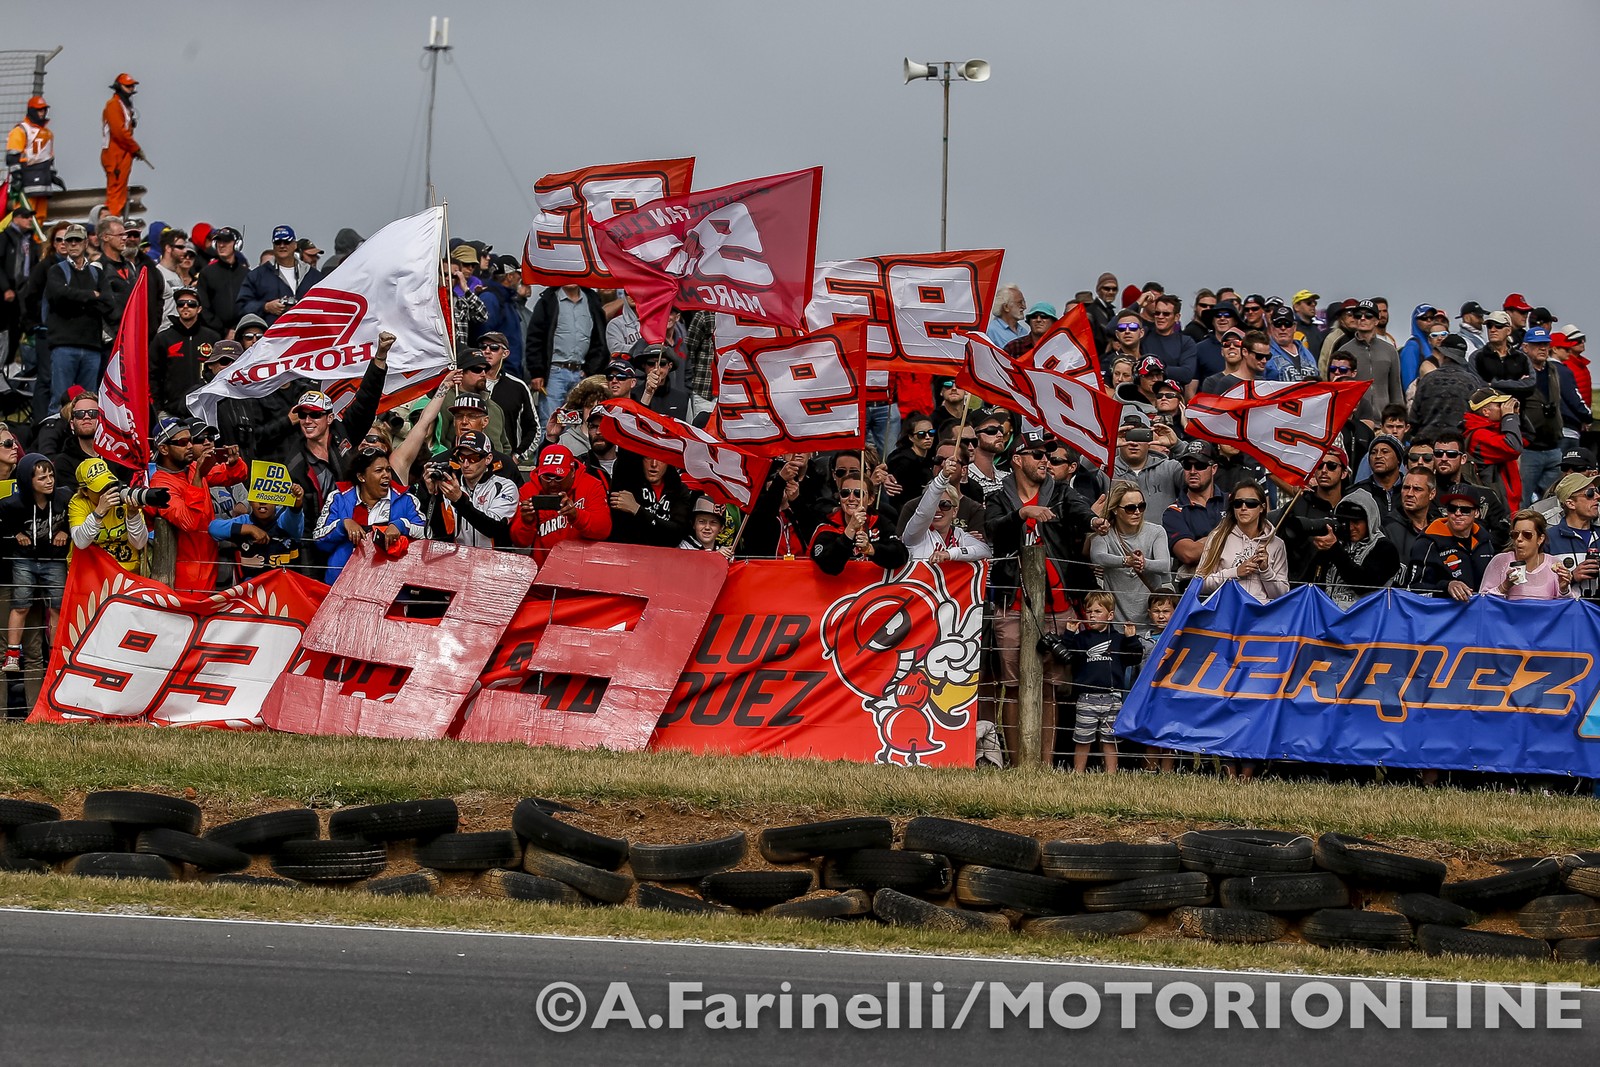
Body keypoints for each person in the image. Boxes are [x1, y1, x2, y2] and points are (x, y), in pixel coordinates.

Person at [985, 430, 1104, 762]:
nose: (1046, 462)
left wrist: (1096, 520)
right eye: (1038, 455)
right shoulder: (998, 497)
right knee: (1011, 687)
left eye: (1050, 457)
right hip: (1011, 601)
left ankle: (1045, 763)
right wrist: (1022, 515)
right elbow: (993, 529)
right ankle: (1017, 761)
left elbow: (1081, 512)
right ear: (1017, 460)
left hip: (1057, 605)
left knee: (1050, 687)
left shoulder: (1062, 493)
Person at [1056, 591, 1143, 775]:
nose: (1092, 615)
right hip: (1087, 698)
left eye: (1097, 611)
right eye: (1089, 611)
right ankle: (1078, 773)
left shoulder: (1119, 640)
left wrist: (1132, 638)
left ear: (1110, 615)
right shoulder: (1081, 638)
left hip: (1112, 698)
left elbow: (1135, 658)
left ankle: (1111, 774)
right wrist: (1069, 634)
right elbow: (1067, 656)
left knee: (1110, 740)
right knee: (1082, 739)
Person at [311, 448, 423, 585]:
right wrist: (342, 525)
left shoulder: (407, 501)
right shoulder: (338, 498)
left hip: (389, 587)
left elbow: (427, 534)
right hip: (340, 587)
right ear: (361, 477)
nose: (386, 475)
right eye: (379, 470)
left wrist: (401, 525)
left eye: (388, 470)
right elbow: (318, 539)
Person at [0, 454, 68, 673]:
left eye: (51, 475)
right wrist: (15, 532)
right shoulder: (13, 504)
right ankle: (12, 654)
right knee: (20, 604)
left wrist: (65, 531)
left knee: (57, 606)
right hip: (24, 559)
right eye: (41, 478)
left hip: (54, 560)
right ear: (27, 481)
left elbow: (76, 513)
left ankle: (56, 652)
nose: (49, 481)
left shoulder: (63, 498)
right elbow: (4, 517)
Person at [1089, 481, 1172, 629]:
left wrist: (1143, 563)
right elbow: (1097, 556)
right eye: (1130, 508)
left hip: (1152, 623)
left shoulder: (1156, 532)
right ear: (1115, 510)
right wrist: (1126, 561)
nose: (1137, 512)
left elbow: (1165, 565)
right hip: (1117, 624)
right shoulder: (1104, 532)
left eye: (1141, 506)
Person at [417, 430, 517, 549]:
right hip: (459, 560)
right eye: (461, 457)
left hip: (494, 561)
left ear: (488, 459)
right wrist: (435, 495)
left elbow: (494, 528)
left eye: (473, 458)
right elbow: (441, 534)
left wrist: (459, 501)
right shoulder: (451, 486)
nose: (465, 464)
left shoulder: (504, 486)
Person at [508, 445, 612, 560]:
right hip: (544, 567)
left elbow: (603, 530)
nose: (552, 483)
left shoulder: (591, 485)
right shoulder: (529, 490)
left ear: (572, 472)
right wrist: (527, 523)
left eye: (558, 477)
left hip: (583, 565)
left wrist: (576, 516)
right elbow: (519, 542)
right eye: (547, 477)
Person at [43, 224, 107, 408]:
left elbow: (108, 301)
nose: (72, 244)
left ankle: (88, 437)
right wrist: (90, 295)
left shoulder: (97, 273)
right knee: (59, 402)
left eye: (77, 240)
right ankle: (55, 436)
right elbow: (58, 295)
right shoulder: (56, 270)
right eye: (68, 240)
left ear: (86, 242)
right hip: (63, 345)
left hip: (92, 345)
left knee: (89, 403)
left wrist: (72, 295)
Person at [1196, 481, 1290, 605]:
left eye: (1251, 504)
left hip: (1261, 615)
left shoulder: (1276, 544)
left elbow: (1282, 595)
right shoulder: (1218, 537)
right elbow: (1199, 583)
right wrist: (1235, 572)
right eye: (1238, 503)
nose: (1243, 508)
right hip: (1225, 613)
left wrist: (1266, 570)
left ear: (1262, 507)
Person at [526, 284, 607, 426]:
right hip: (554, 373)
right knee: (549, 422)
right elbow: (535, 337)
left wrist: (591, 370)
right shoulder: (548, 300)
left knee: (580, 423)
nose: (571, 278)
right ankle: (548, 448)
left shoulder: (591, 300)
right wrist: (536, 372)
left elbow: (599, 338)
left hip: (582, 374)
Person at [807, 472, 909, 575]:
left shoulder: (880, 522)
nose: (851, 498)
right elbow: (830, 567)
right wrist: (850, 530)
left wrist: (870, 549)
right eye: (845, 493)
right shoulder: (827, 527)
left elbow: (901, 555)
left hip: (873, 588)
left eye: (858, 493)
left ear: (870, 499)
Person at [1313, 490, 1400, 609]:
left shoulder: (1384, 548)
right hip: (1330, 616)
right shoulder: (1337, 543)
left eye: (1356, 522)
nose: (1350, 527)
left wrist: (1335, 550)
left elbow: (1363, 584)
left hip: (1366, 619)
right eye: (1345, 521)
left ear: (1370, 520)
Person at [68, 457, 155, 573]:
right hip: (91, 574)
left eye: (108, 486)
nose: (106, 492)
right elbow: (80, 542)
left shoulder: (124, 496)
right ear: (85, 491)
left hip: (126, 573)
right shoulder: (79, 503)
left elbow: (139, 543)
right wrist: (98, 513)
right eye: (100, 489)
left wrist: (133, 515)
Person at [1407, 485, 1495, 599]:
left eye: (1465, 510)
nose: (1457, 513)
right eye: (1452, 508)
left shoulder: (1484, 540)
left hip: (1479, 612)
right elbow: (1413, 590)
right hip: (1443, 614)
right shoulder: (1427, 543)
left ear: (1477, 512)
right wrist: (1446, 586)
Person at [901, 457, 991, 563]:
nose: (938, 509)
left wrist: (950, 554)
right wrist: (942, 478)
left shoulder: (959, 534)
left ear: (954, 511)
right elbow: (923, 514)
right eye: (933, 505)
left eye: (945, 504)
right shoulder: (915, 533)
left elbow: (984, 550)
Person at [151, 286, 221, 417]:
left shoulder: (212, 338)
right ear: (177, 308)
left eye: (191, 304)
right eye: (181, 304)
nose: (185, 307)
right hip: (171, 411)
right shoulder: (163, 338)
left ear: (199, 309)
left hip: (205, 410)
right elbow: (153, 375)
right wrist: (159, 409)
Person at [1162, 441, 1226, 582]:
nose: (1192, 471)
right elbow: (1188, 554)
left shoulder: (1232, 502)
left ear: (1213, 468)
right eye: (1187, 466)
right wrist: (1227, 535)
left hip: (1231, 586)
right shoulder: (1173, 512)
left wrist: (1202, 542)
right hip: (1195, 591)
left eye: (1200, 465)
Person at [209, 486, 305, 579]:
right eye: (257, 497)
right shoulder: (245, 520)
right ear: (250, 501)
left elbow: (294, 520)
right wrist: (249, 529)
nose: (262, 502)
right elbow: (213, 528)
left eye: (268, 497)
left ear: (277, 501)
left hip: (287, 584)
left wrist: (296, 503)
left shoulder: (283, 519)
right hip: (253, 586)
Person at [236, 225, 322, 326]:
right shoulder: (257, 275)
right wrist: (266, 307)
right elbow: (241, 306)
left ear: (295, 245)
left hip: (306, 334)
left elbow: (325, 305)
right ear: (273, 245)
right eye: (278, 242)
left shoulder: (314, 276)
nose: (282, 246)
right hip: (272, 334)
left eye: (287, 242)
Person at [1479, 509, 1574, 601]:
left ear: (1540, 539)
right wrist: (1505, 586)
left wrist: (1564, 590)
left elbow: (1564, 609)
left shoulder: (1554, 563)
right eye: (1515, 535)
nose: (1519, 539)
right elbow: (1483, 602)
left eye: (1527, 535)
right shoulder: (1501, 561)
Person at [1337, 300, 1403, 414]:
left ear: (1376, 321)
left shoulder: (1390, 350)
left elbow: (1396, 389)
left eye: (1368, 315)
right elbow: (1339, 388)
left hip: (1383, 421)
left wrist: (1399, 416)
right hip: (1355, 420)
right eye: (1358, 316)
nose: (1362, 319)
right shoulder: (1344, 350)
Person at [1463, 388, 1524, 512]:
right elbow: (1514, 447)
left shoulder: (1495, 428)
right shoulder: (1478, 435)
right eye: (1499, 405)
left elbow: (1528, 437)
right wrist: (1509, 417)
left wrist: (1516, 414)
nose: (1504, 408)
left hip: (1508, 497)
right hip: (1496, 500)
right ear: (1486, 411)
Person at [1545, 472, 1600, 600]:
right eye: (1590, 493)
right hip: (1567, 614)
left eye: (1597, 491)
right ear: (1570, 504)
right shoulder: (1548, 538)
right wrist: (1571, 577)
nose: (1597, 496)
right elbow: (1538, 586)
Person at [7, 95, 60, 222]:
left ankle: (36, 241)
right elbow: (13, 157)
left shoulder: (47, 134)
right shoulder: (20, 130)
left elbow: (49, 158)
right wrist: (17, 177)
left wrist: (52, 176)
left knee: (40, 217)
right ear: (31, 111)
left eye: (43, 110)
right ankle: (22, 241)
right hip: (27, 183)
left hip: (43, 183)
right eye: (38, 110)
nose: (42, 113)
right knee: (24, 217)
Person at [100, 73, 146, 219]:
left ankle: (114, 220)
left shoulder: (124, 107)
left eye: (132, 86)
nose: (131, 89)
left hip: (123, 154)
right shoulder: (113, 105)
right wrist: (135, 148)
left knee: (120, 191)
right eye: (128, 86)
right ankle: (110, 222)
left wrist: (133, 150)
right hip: (115, 155)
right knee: (115, 193)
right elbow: (118, 132)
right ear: (119, 87)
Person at [195, 226, 248, 338]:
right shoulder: (207, 273)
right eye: (218, 241)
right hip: (213, 335)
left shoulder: (247, 274)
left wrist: (236, 329)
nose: (221, 245)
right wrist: (224, 331)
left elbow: (250, 305)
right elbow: (203, 307)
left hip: (242, 333)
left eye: (226, 241)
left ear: (237, 244)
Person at [1383, 469, 1439, 563]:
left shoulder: (1438, 528)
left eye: (1417, 489)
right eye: (1406, 488)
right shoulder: (1388, 528)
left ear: (1432, 494)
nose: (1409, 494)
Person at [1352, 433, 1405, 522]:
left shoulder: (1411, 491)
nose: (1378, 456)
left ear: (1398, 459)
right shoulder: (1357, 492)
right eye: (1373, 453)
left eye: (1385, 452)